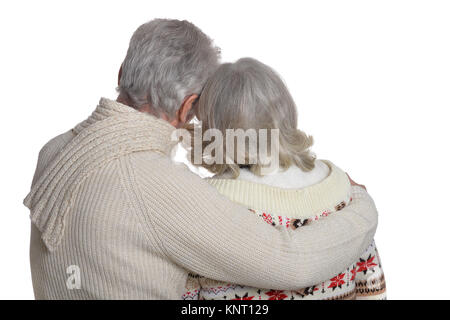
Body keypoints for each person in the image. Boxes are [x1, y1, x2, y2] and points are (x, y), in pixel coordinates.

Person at [24, 19, 377, 299]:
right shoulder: (158, 185)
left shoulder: (53, 150)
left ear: (121, 73)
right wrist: (363, 207)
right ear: (188, 106)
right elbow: (292, 263)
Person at [183, 58, 385, 300]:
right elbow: (371, 290)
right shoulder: (346, 191)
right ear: (286, 112)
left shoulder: (201, 205)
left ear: (213, 127)